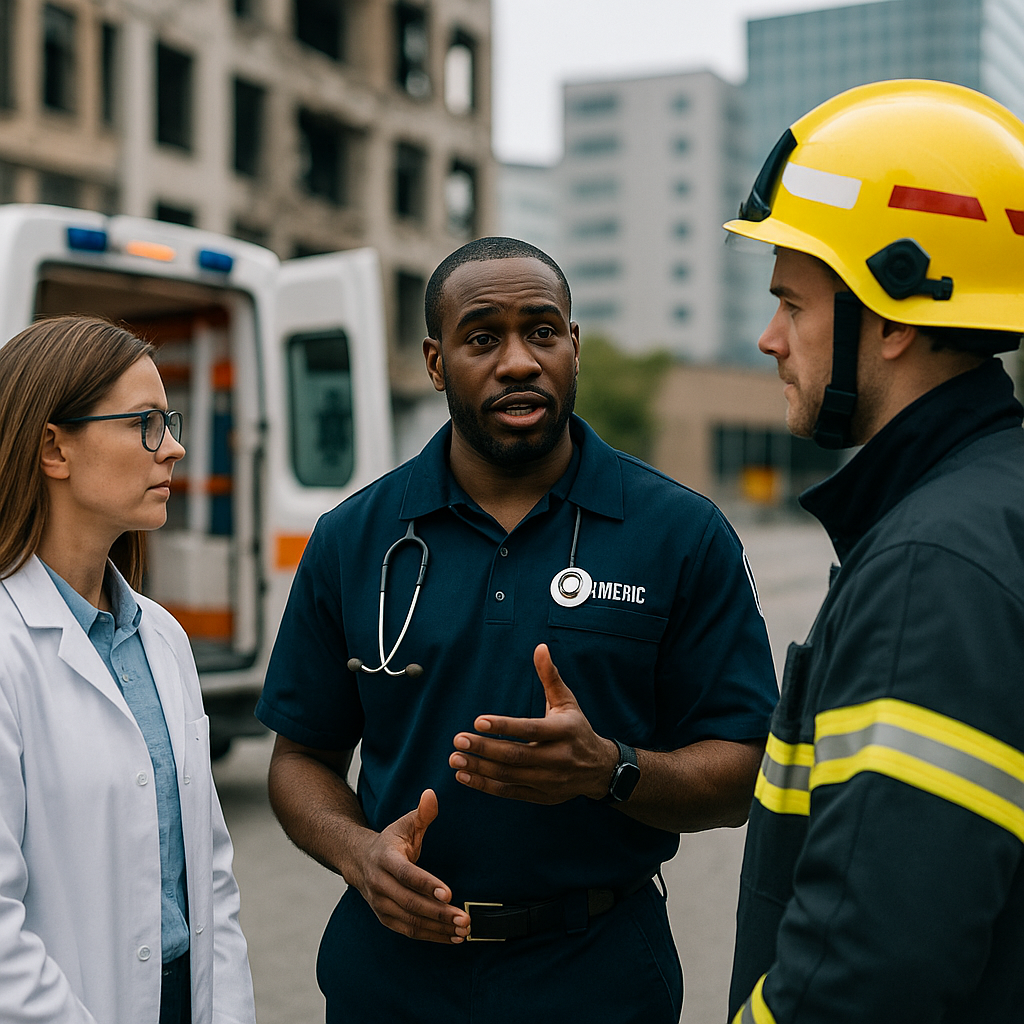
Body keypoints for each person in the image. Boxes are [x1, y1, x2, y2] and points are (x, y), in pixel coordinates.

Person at [256, 236, 778, 1022]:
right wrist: (360, 855)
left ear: (575, 348)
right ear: (436, 364)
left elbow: (744, 771)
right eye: (481, 337)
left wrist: (610, 770)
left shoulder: (681, 534)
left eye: (541, 331)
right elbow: (300, 758)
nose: (517, 361)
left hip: (598, 974)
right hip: (393, 977)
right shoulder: (352, 539)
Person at [723, 80, 1024, 1023]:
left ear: (892, 317)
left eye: (792, 303)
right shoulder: (995, 505)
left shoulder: (929, 567)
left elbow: (865, 974)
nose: (769, 339)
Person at [0, 316, 255, 1024]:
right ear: (53, 447)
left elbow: (208, 880)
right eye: (144, 423)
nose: (173, 447)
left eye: (167, 420)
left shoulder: (161, 639)